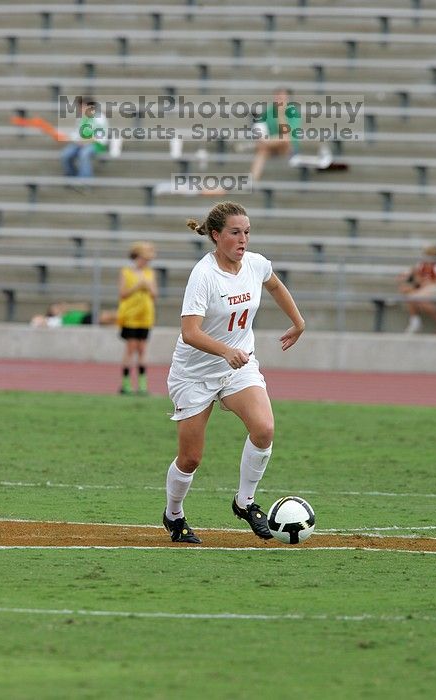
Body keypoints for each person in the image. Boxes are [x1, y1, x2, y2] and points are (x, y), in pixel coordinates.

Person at [162, 201, 305, 544]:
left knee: (264, 428)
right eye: (235, 233)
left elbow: (274, 285)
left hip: (237, 367)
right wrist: (226, 351)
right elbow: (190, 332)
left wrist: (298, 322)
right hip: (194, 373)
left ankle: (245, 502)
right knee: (191, 458)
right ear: (215, 235)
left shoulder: (255, 264)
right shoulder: (204, 275)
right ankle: (174, 514)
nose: (243, 240)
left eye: (247, 232)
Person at [117, 242, 158, 395]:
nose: (145, 262)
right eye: (143, 258)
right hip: (130, 316)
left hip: (145, 317)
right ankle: (126, 384)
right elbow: (122, 293)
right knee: (130, 348)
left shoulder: (150, 273)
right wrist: (137, 286)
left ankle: (142, 384)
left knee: (142, 349)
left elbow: (154, 294)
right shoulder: (126, 272)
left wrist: (147, 286)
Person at [250, 87, 301, 181]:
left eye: (282, 97)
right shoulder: (269, 111)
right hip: (271, 145)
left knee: (285, 138)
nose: (279, 99)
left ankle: (263, 143)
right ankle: (253, 180)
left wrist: (280, 115)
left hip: (287, 147)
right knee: (262, 152)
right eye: (277, 97)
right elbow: (259, 126)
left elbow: (287, 133)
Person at [399, 240, 436, 334]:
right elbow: (417, 278)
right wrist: (414, 277)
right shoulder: (422, 265)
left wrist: (425, 283)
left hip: (434, 287)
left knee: (417, 297)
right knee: (407, 290)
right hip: (425, 287)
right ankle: (414, 320)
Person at [60, 96, 109, 178]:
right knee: (65, 154)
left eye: (83, 106)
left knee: (84, 154)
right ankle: (71, 176)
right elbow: (77, 134)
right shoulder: (81, 118)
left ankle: (85, 180)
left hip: (97, 144)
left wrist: (85, 141)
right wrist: (69, 138)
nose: (80, 108)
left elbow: (100, 137)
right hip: (81, 143)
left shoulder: (100, 118)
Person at [30, 302, 116, 327]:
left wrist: (68, 306)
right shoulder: (53, 320)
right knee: (106, 317)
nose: (58, 308)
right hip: (81, 321)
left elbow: (85, 306)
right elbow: (36, 321)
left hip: (84, 316)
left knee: (108, 315)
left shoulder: (68, 312)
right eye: (55, 308)